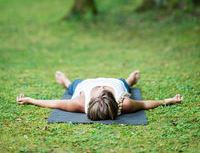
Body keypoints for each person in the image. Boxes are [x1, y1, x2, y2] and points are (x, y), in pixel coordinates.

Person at [17, 70, 183, 121]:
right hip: (117, 82)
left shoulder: (80, 102)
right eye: (105, 91)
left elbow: (54, 103)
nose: (102, 86)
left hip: (83, 84)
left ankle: (65, 81)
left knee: (72, 86)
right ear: (115, 100)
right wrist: (166, 101)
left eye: (101, 90)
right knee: (125, 84)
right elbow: (145, 104)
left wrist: (31, 100)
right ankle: (130, 80)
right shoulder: (124, 103)